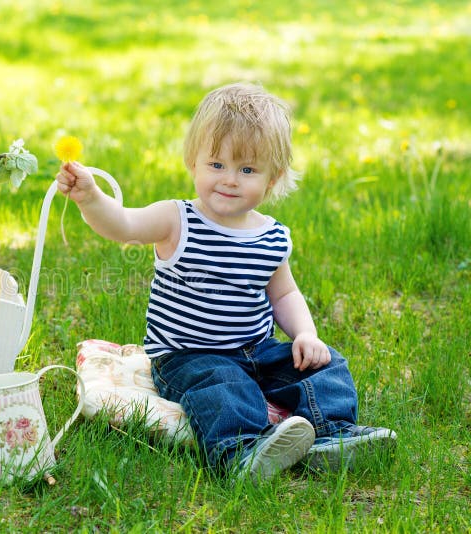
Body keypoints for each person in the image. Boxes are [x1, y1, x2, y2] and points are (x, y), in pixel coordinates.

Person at [55, 82, 396, 482]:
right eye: (216, 165)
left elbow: (284, 292)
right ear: (193, 162)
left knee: (325, 366)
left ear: (272, 179)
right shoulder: (176, 220)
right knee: (225, 385)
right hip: (188, 356)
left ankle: (333, 436)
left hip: (257, 350)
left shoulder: (272, 236)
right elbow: (123, 224)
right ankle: (241, 453)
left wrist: (306, 333)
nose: (229, 179)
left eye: (247, 170)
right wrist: (91, 199)